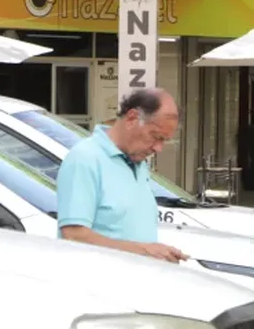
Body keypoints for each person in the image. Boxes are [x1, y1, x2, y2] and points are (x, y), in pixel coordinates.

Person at [55, 88, 187, 262]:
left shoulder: (137, 162)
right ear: (132, 118)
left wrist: (155, 252)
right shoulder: (85, 158)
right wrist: (145, 251)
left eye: (164, 140)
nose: (158, 148)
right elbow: (73, 235)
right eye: (155, 136)